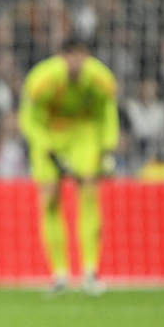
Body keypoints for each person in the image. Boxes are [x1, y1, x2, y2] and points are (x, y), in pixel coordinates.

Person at [18, 38, 119, 295]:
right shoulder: (42, 79)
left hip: (83, 134)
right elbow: (29, 119)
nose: (76, 62)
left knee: (88, 191)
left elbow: (107, 112)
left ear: (86, 56)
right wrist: (47, 148)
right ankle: (60, 274)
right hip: (49, 134)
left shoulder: (100, 78)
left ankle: (90, 272)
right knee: (50, 198)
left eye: (80, 55)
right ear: (60, 57)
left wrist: (107, 146)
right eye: (70, 56)